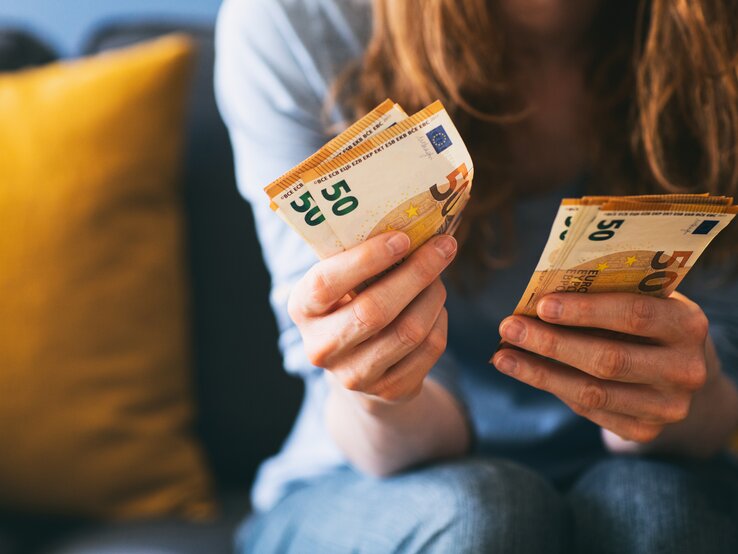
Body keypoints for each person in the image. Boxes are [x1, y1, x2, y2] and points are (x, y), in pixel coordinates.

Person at [215, 0, 738, 552]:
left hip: (657, 467)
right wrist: (378, 387)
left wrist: (669, 392)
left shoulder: (716, 29)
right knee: (483, 519)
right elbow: (368, 427)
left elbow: (716, 394)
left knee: (662, 514)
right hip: (371, 473)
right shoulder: (303, 19)